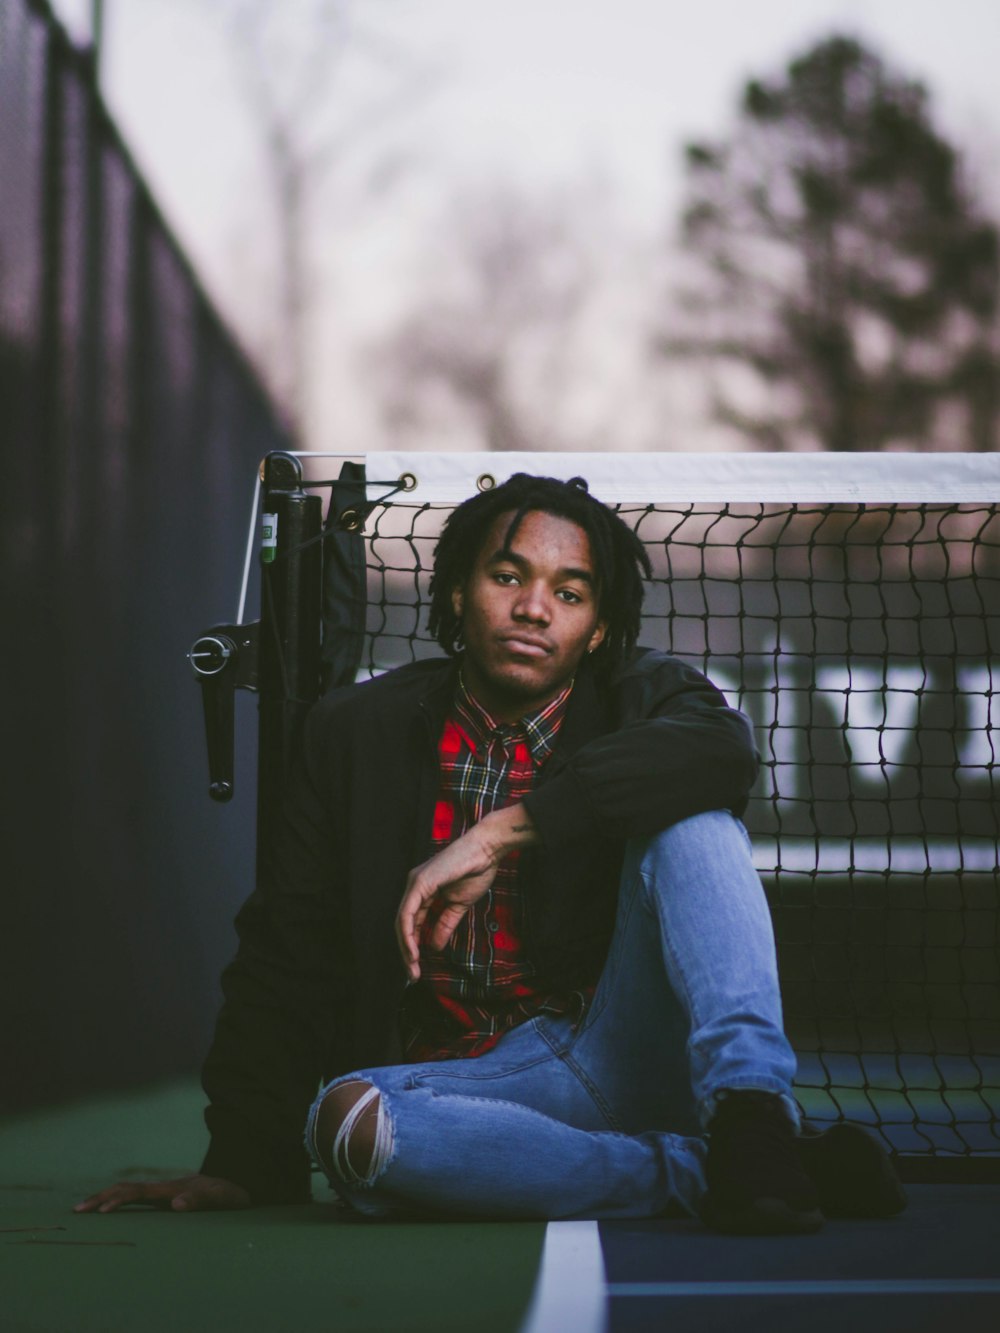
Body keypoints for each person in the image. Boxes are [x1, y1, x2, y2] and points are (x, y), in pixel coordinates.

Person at [77, 472, 905, 1232]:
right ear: (457, 593)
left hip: (621, 1043)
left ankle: (752, 1119)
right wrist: (244, 1162)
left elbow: (723, 754)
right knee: (350, 1124)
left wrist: (505, 828)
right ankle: (700, 1173)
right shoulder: (353, 735)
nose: (534, 608)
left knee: (695, 820)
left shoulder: (646, 697)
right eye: (508, 577)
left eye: (569, 592)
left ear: (598, 627)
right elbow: (287, 952)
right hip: (472, 1092)